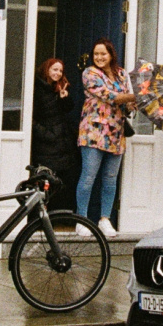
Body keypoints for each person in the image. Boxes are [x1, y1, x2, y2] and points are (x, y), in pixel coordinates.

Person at [76, 38, 139, 231]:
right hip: (94, 132)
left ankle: (105, 219)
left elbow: (125, 101)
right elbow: (111, 97)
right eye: (96, 54)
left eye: (103, 54)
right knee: (88, 177)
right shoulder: (90, 73)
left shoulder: (121, 74)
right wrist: (137, 96)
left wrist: (132, 104)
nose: (99, 57)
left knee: (111, 179)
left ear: (111, 54)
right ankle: (81, 220)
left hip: (116, 132)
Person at [28, 56, 80, 208]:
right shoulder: (37, 89)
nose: (57, 73)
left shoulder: (59, 88)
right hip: (46, 143)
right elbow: (31, 118)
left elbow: (67, 110)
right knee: (46, 180)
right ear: (47, 69)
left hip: (61, 142)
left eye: (60, 71)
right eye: (54, 69)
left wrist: (64, 97)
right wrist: (45, 133)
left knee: (61, 180)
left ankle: (57, 214)